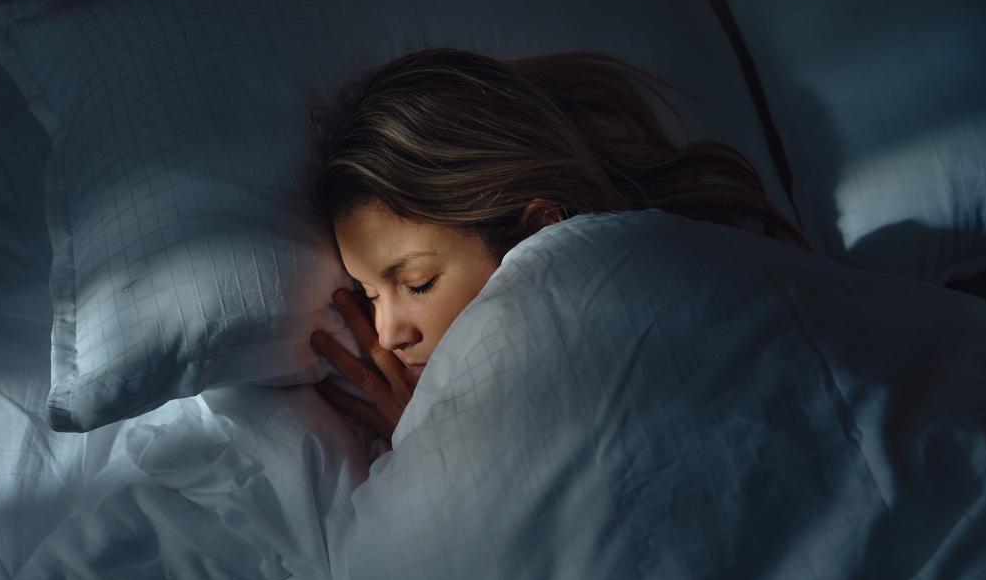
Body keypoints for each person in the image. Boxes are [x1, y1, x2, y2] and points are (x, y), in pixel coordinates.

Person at [301, 47, 808, 447]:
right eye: (368, 294)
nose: (388, 334)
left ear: (536, 231)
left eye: (418, 283)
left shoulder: (697, 280)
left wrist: (429, 445)